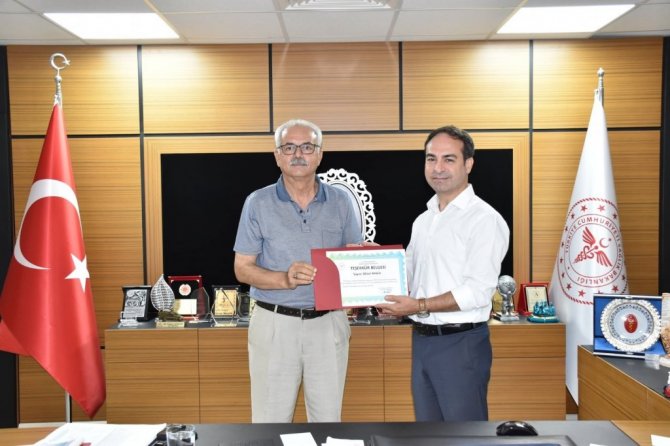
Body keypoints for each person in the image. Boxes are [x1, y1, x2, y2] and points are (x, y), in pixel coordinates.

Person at [233, 118, 363, 423]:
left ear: (319, 154)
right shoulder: (258, 202)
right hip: (274, 324)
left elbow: (353, 258)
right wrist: (283, 279)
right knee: (270, 422)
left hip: (328, 323)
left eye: (307, 147)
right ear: (277, 156)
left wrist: (368, 264)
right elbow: (242, 268)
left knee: (328, 422)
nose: (298, 155)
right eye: (289, 147)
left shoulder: (341, 201)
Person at [377, 125, 510, 422]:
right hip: (423, 340)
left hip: (461, 344)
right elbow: (408, 273)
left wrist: (418, 305)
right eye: (431, 158)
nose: (438, 168)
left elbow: (477, 291)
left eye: (449, 159)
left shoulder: (484, 220)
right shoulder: (424, 220)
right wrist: (373, 262)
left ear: (468, 164)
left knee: (464, 437)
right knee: (429, 434)